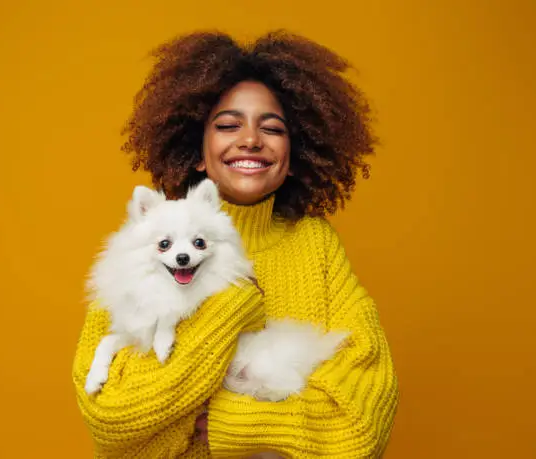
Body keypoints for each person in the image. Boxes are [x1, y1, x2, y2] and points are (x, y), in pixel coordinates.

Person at [72, 30, 399, 458]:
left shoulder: (315, 244)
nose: (250, 139)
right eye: (228, 125)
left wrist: (227, 422)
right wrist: (232, 307)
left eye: (273, 128)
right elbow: (113, 416)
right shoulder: (144, 249)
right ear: (197, 151)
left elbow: (365, 413)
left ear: (293, 153)